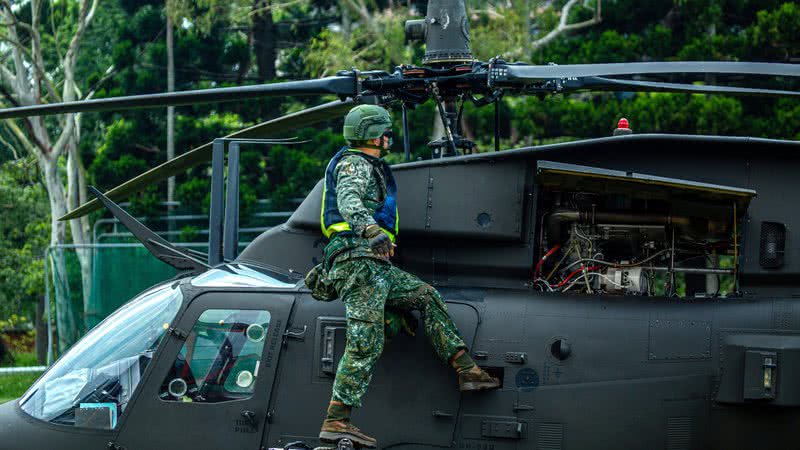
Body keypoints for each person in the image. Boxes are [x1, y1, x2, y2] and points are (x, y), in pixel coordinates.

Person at [318, 105, 500, 448]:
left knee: (424, 296)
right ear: (374, 135)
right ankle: (337, 420)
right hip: (357, 261)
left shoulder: (371, 166)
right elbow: (348, 199)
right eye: (386, 132)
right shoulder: (354, 163)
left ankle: (467, 371)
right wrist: (371, 230)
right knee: (365, 343)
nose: (390, 138)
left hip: (376, 265)